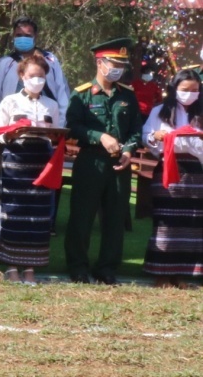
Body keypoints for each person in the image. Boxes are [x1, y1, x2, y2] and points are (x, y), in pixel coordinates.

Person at [65, 38, 143, 284]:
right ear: (100, 63)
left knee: (115, 218)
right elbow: (73, 126)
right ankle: (78, 266)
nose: (119, 67)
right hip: (91, 161)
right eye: (114, 62)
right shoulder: (82, 94)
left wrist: (129, 151)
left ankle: (107, 267)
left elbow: (135, 130)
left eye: (122, 63)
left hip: (119, 164)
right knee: (82, 216)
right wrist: (99, 137)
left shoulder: (127, 96)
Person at [0, 53, 65, 282]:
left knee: (38, 214)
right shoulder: (10, 101)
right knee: (14, 211)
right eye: (33, 75)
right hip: (16, 159)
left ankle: (31, 268)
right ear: (23, 76)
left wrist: (55, 137)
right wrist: (10, 135)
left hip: (42, 160)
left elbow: (57, 132)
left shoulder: (51, 104)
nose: (37, 80)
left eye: (41, 76)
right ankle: (11, 266)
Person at [141, 70, 203, 284]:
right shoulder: (160, 111)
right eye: (185, 90)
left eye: (195, 90)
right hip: (169, 167)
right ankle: (161, 273)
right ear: (175, 89)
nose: (190, 94)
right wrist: (155, 136)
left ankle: (181, 273)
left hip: (196, 171)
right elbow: (147, 136)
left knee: (192, 223)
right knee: (166, 222)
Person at [0, 17, 71, 121]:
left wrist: (61, 125)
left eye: (27, 36)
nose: (23, 38)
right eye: (19, 35)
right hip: (13, 125)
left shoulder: (50, 61)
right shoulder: (5, 63)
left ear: (35, 36)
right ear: (13, 36)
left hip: (47, 124)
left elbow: (63, 94)